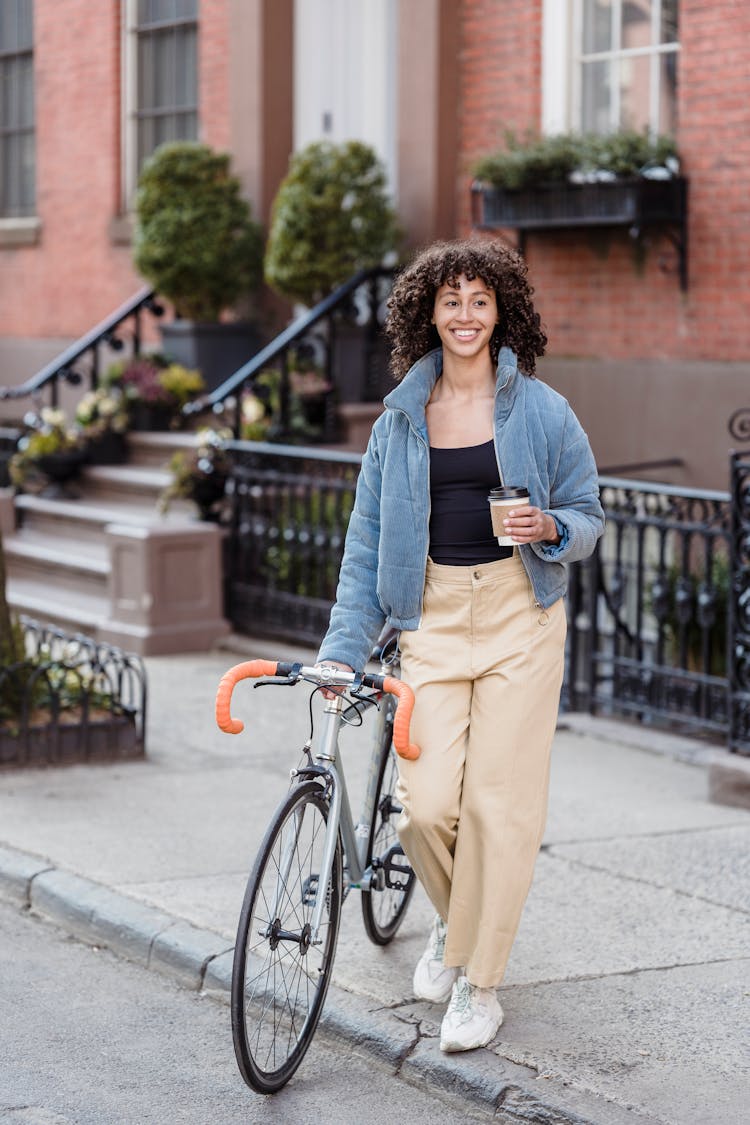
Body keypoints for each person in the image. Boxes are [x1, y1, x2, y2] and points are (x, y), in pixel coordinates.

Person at [316, 238, 604, 1053]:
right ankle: (456, 923)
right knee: (425, 805)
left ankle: (479, 982)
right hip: (432, 619)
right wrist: (345, 646)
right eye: (452, 301)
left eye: (481, 300)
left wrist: (550, 526)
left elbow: (589, 514)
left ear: (501, 311)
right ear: (427, 314)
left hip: (520, 616)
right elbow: (366, 543)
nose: (467, 315)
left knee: (496, 808)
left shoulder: (543, 411)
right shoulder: (401, 420)